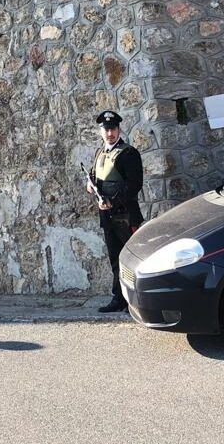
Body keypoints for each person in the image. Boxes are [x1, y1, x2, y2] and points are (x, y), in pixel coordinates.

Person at [86, 111, 144, 313]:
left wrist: (113, 201)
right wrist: (90, 185)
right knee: (115, 260)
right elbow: (95, 176)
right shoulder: (100, 153)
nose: (109, 133)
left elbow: (134, 185)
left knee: (132, 259)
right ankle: (119, 298)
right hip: (108, 217)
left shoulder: (128, 153)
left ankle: (135, 301)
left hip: (125, 215)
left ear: (119, 129)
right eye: (106, 129)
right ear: (101, 131)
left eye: (113, 129)